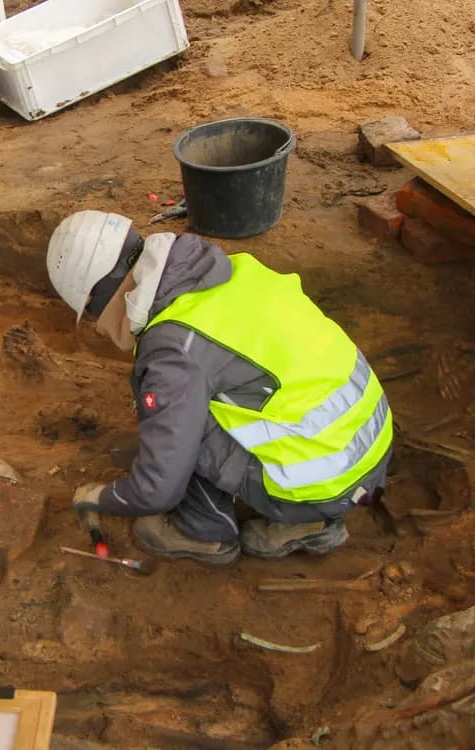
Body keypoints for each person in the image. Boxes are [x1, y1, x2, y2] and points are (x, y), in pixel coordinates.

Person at [50, 210, 392, 566]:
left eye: (89, 311)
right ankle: (317, 517)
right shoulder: (224, 273)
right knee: (186, 406)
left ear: (97, 295)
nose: (97, 325)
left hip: (327, 477)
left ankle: (205, 532)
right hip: (369, 443)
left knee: (176, 421)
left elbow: (158, 487)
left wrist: (102, 497)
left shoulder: (172, 348)